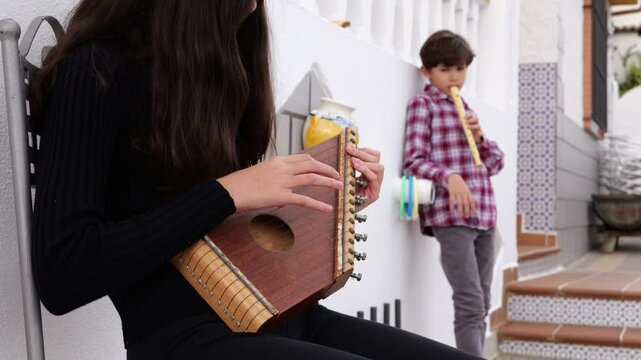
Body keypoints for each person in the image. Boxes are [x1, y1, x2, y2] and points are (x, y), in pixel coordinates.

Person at [30, 1, 481, 359]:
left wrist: (331, 206)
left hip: (276, 317)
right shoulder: (96, 70)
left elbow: (223, 230)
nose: (253, 7)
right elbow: (63, 272)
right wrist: (226, 193)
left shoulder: (210, 81)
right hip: (179, 338)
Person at [403, 30, 505, 357]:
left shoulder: (467, 108)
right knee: (470, 302)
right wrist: (450, 177)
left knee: (483, 302)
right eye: (446, 69)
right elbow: (413, 159)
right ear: (427, 71)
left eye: (460, 69)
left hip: (485, 215)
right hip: (452, 217)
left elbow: (494, 163)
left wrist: (481, 136)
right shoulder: (423, 104)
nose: (455, 77)